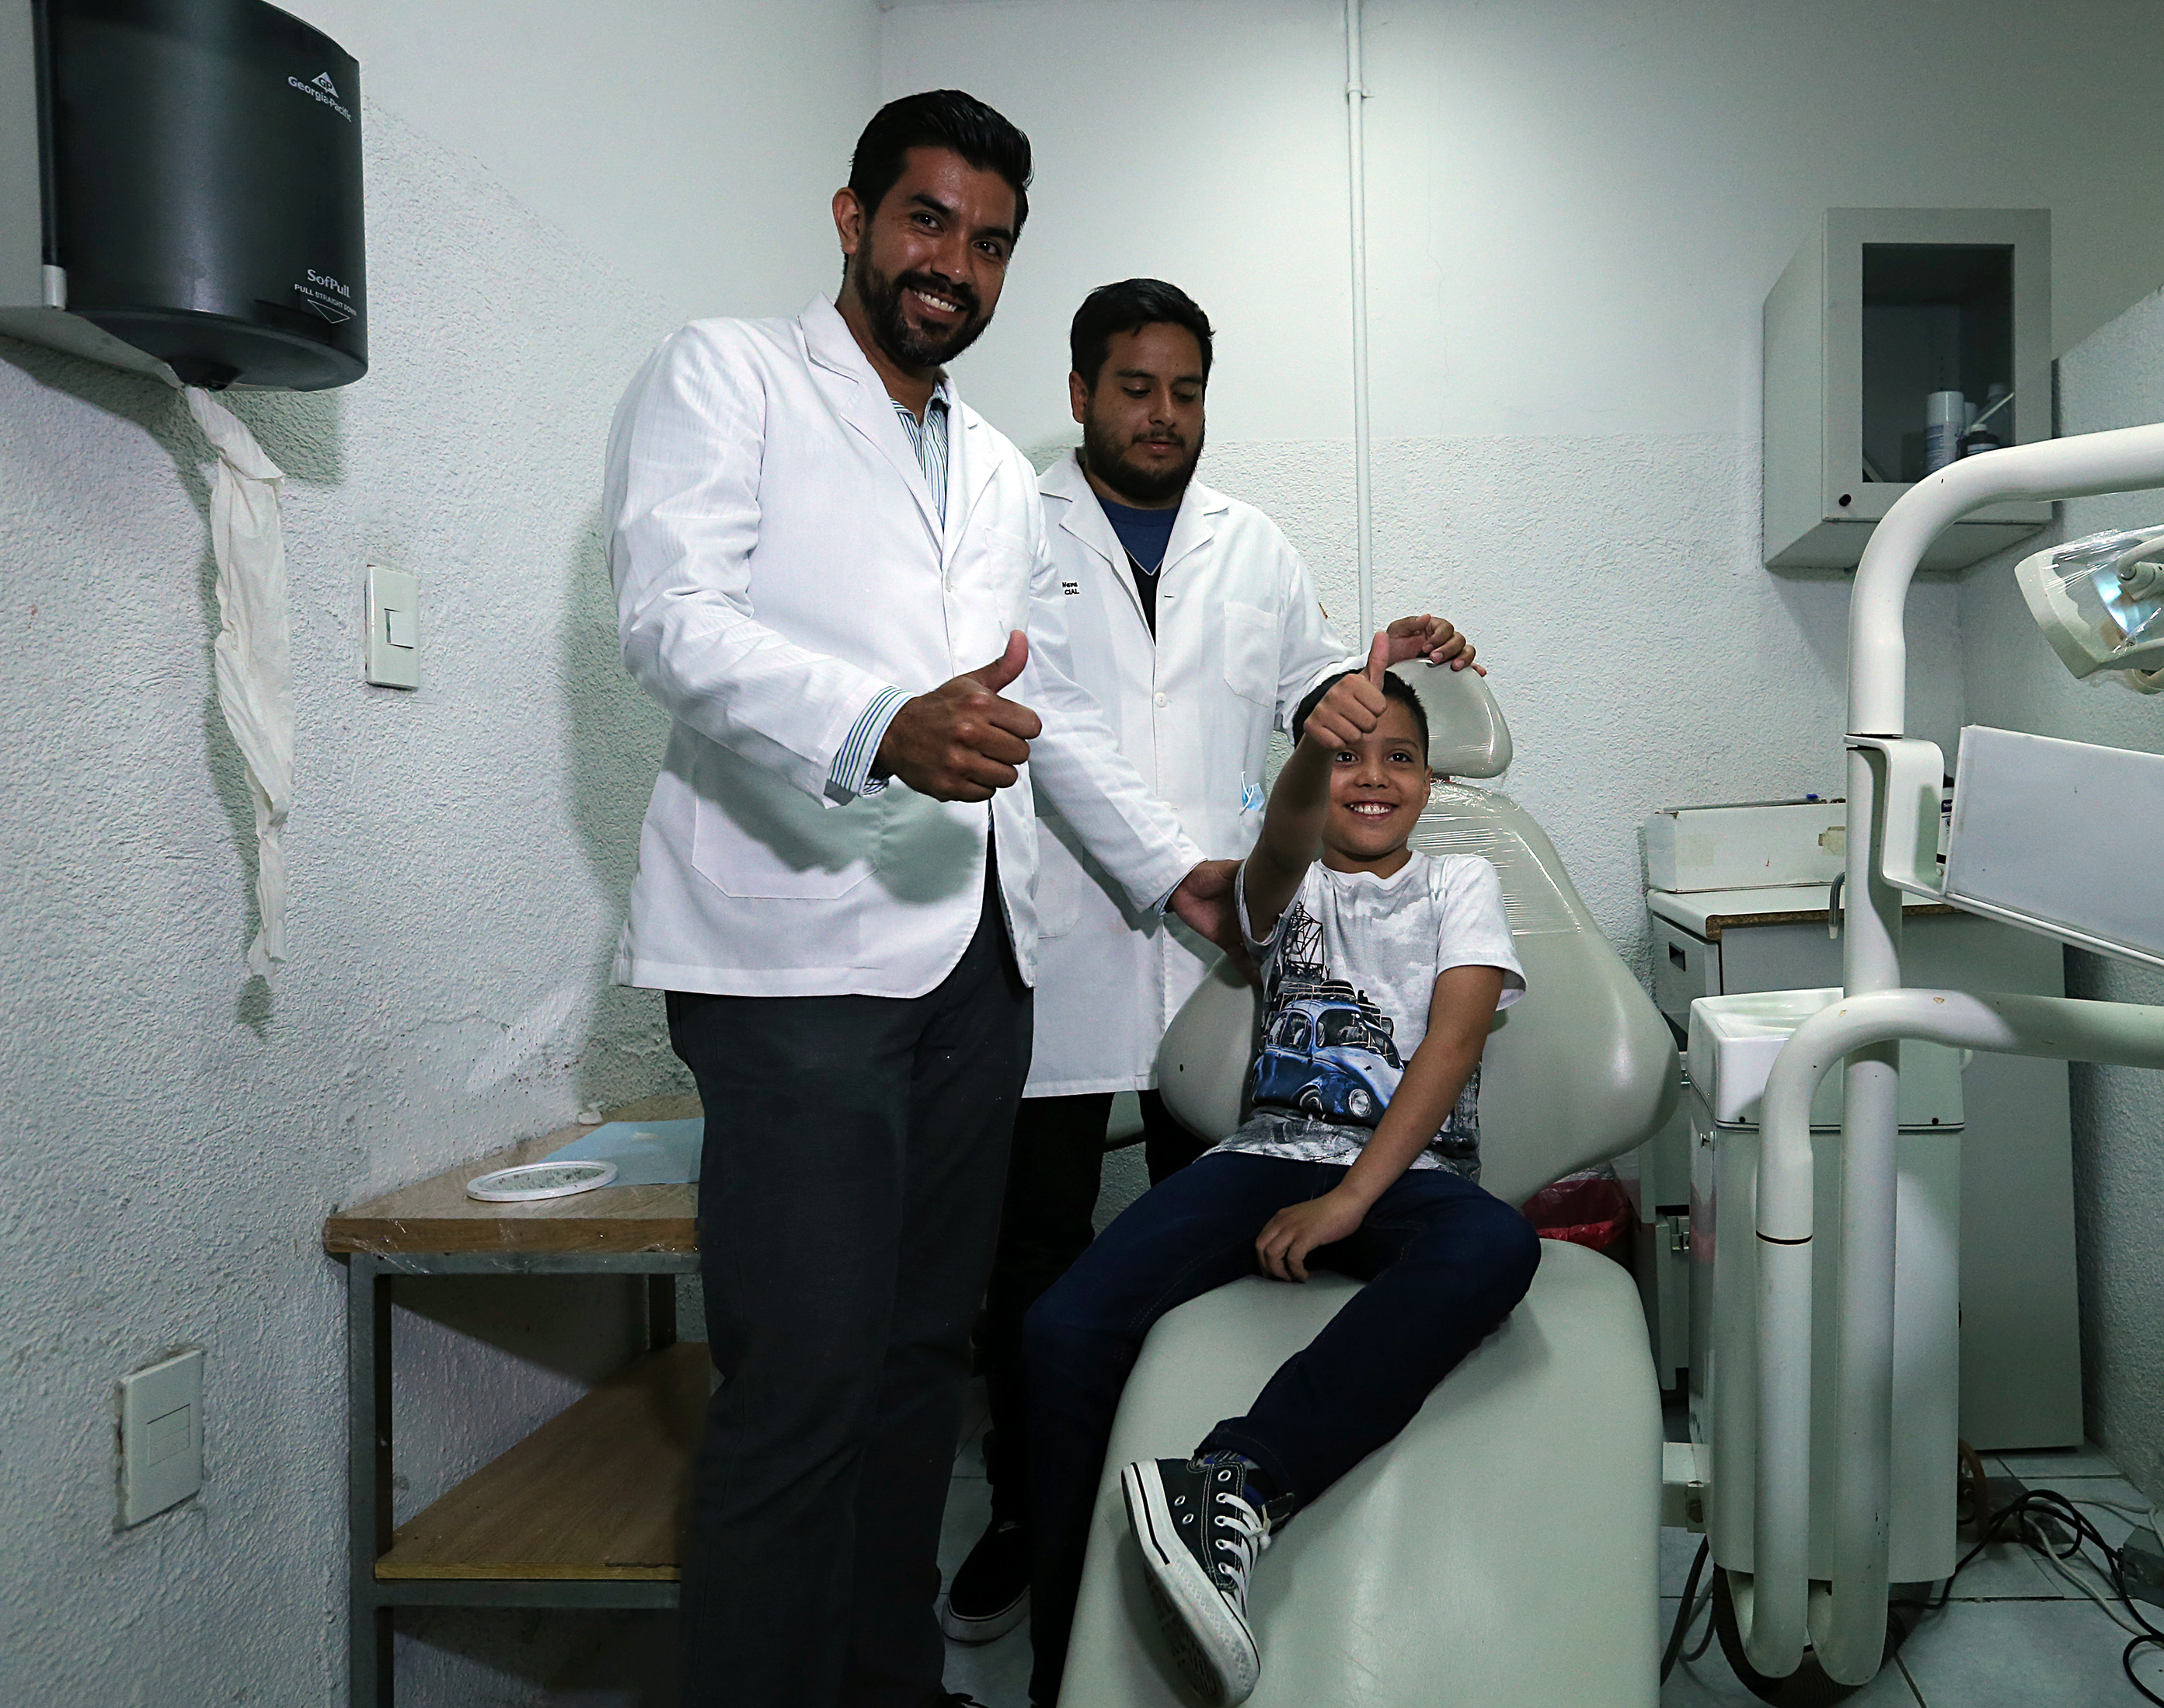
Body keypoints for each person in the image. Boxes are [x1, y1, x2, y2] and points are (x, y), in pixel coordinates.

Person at [602, 91, 1239, 1708]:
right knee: (801, 1379)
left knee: (911, 1369)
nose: (952, 261)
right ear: (853, 217)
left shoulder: (991, 472)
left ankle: (887, 1681)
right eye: (926, 219)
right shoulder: (728, 372)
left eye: (989, 239)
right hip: (794, 960)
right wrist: (876, 721)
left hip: (974, 966)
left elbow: (1056, 718)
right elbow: (668, 616)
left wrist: (1176, 870)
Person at [945, 278, 1477, 1647]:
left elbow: (1309, 694)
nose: (1164, 415)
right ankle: (1028, 1501)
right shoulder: (1013, 526)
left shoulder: (1257, 543)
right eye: (1136, 387)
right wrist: (1161, 865)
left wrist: (1376, 671)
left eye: (1186, 392)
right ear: (1080, 393)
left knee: (1224, 1241)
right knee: (1037, 1252)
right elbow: (1030, 706)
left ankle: (1199, 1493)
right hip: (1065, 929)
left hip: (1227, 954)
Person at [1018, 638, 1540, 1706]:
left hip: (1411, 1172)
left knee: (1496, 1242)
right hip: (1263, 1159)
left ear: (1432, 782)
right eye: (1351, 756)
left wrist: (1353, 1196)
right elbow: (1285, 829)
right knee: (1056, 1330)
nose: (1374, 776)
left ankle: (1237, 1483)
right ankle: (1069, 1659)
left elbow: (1452, 1042)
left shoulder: (1461, 880)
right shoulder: (1284, 886)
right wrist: (1315, 741)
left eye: (1400, 756)